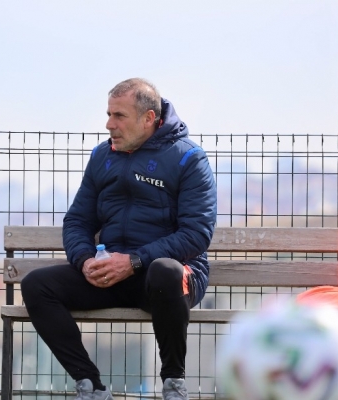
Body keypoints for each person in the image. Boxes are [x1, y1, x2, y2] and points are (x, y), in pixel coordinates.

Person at [21, 78, 217, 400]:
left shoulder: (188, 159)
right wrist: (85, 261)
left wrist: (134, 261)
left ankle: (173, 385)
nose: (109, 124)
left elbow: (196, 234)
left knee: (166, 271)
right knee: (37, 285)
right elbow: (78, 220)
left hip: (166, 281)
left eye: (119, 116)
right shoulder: (102, 156)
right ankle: (91, 387)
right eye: (109, 114)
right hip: (111, 273)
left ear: (148, 118)